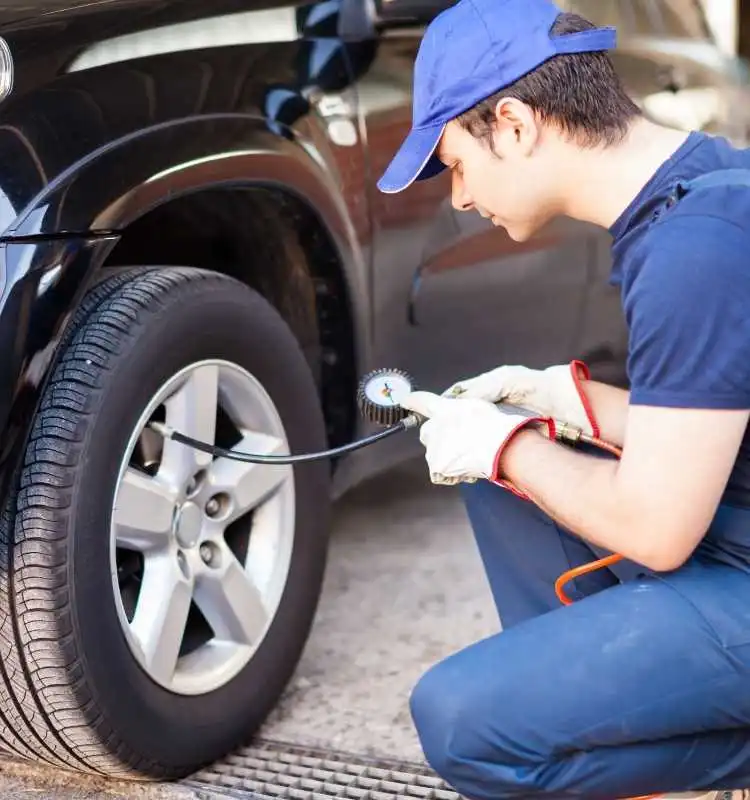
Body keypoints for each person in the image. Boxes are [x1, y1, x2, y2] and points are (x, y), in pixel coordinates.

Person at [376, 1, 750, 799]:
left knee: (460, 720)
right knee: (503, 470)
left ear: (512, 125)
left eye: (455, 164)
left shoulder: (694, 247)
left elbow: (657, 531)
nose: (460, 199)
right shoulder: (702, 183)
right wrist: (563, 404)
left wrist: (507, 444)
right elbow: (716, 415)